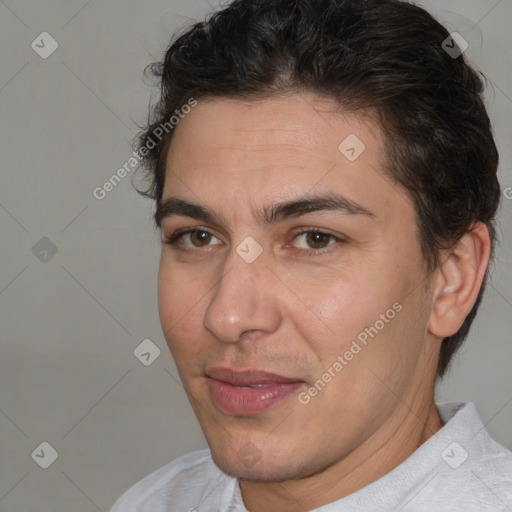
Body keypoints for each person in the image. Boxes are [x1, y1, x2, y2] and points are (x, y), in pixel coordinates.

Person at [110, 0, 512, 510]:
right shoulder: (151, 502)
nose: (227, 316)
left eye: (315, 239)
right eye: (198, 237)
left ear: (451, 277)